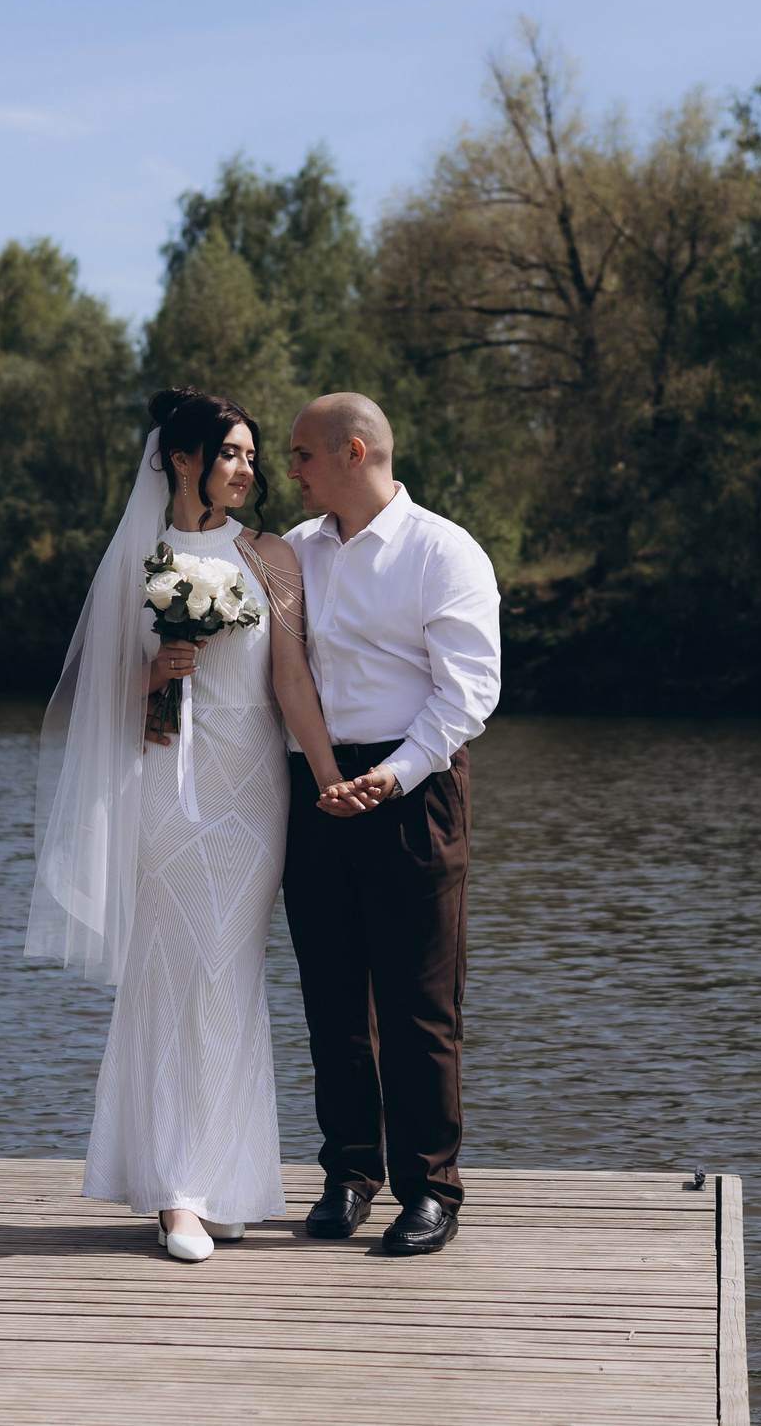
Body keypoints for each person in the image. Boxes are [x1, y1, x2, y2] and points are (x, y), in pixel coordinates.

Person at [27, 387, 348, 1263]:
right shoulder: (139, 555)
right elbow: (103, 699)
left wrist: (329, 778)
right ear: (181, 460)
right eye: (232, 453)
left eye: (250, 454)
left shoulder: (272, 557)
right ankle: (175, 1191)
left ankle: (227, 1179)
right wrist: (155, 671)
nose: (247, 468)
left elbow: (292, 684)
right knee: (173, 968)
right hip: (165, 782)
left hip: (252, 791)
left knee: (231, 973)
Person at [283, 392, 502, 1256]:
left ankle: (429, 1187)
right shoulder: (294, 553)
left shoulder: (443, 551)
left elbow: (469, 691)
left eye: (301, 453)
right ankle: (348, 1173)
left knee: (419, 1001)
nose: (287, 468)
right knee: (331, 995)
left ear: (354, 450)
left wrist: (393, 774)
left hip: (414, 787)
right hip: (315, 783)